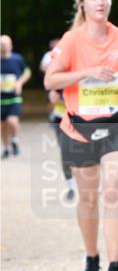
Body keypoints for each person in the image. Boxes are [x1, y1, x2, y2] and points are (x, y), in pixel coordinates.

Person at [44, 0, 118, 271]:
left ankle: (115, 267)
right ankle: (92, 257)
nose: (100, 2)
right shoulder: (72, 40)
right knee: (87, 199)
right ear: (82, 4)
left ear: (110, 1)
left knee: (111, 188)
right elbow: (50, 80)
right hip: (79, 128)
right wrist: (87, 72)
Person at [40, 39, 75, 200]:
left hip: (82, 118)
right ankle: (71, 186)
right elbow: (52, 93)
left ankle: (92, 184)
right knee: (66, 152)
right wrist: (54, 95)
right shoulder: (56, 72)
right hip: (61, 118)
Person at [1, 35, 31, 159]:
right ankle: (6, 148)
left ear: (11, 45)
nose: (4, 46)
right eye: (2, 44)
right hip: (1, 99)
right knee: (2, 125)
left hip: (14, 97)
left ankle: (14, 140)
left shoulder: (17, 59)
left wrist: (19, 83)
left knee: (12, 120)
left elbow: (27, 72)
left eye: (6, 44)